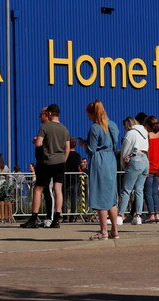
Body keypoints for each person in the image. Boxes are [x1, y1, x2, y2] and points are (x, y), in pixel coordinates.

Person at [22, 104, 70, 229]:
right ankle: (57, 218)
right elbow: (67, 148)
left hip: (47, 162)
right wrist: (63, 160)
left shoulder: (45, 127)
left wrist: (40, 143)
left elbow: (38, 144)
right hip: (61, 162)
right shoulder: (65, 129)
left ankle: (34, 217)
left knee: (38, 189)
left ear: (49, 113)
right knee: (58, 189)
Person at [79, 99, 120, 240]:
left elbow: (91, 149)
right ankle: (114, 230)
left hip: (99, 160)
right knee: (111, 197)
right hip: (111, 159)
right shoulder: (113, 125)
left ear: (92, 114)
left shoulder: (95, 128)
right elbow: (115, 144)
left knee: (100, 196)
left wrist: (84, 144)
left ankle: (103, 231)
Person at [116, 116, 149, 226]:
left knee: (126, 189)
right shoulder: (144, 132)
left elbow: (125, 150)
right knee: (139, 189)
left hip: (135, 160)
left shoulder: (130, 133)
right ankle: (138, 216)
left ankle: (120, 216)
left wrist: (124, 164)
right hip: (145, 160)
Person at [143, 115, 159, 223]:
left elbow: (146, 152)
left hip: (149, 166)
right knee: (155, 191)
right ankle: (158, 214)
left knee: (148, 191)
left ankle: (151, 214)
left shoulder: (148, 136)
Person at [63, 140, 83, 222]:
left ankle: (64, 217)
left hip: (65, 178)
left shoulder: (65, 155)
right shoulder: (77, 155)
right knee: (73, 199)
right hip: (74, 179)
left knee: (64, 199)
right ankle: (72, 217)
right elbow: (78, 166)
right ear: (75, 145)